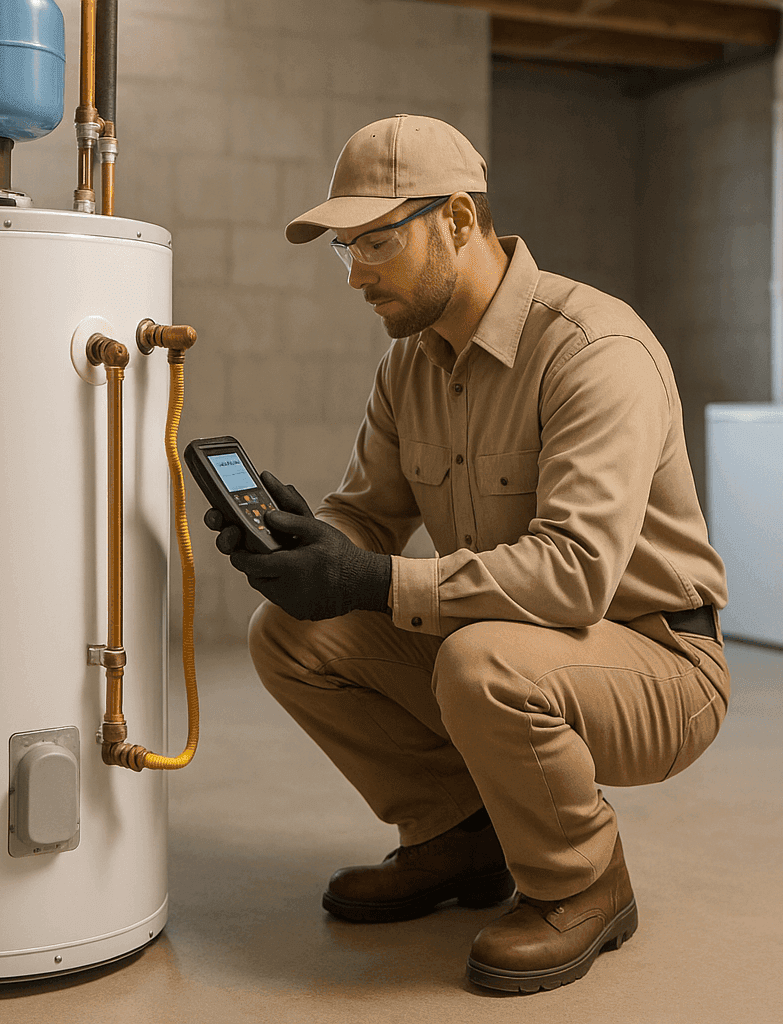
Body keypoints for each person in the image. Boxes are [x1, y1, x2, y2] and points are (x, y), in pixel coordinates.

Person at [202, 114, 730, 993]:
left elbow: (573, 576)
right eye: (344, 249)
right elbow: (368, 517)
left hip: (660, 659)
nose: (357, 274)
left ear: (455, 220)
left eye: (376, 240)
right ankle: (458, 840)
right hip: (510, 640)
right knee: (289, 632)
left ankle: (583, 881)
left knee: (483, 663)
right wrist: (311, 546)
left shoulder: (594, 349)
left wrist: (367, 578)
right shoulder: (409, 366)